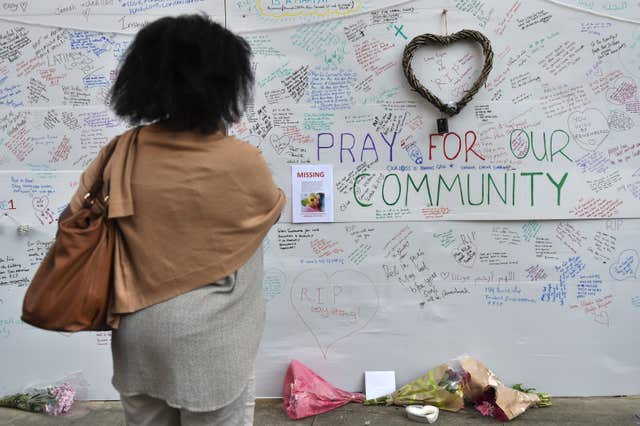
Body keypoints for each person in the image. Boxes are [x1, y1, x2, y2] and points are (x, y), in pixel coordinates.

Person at [67, 14, 285, 426]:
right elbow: (271, 210)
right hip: (214, 348)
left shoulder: (120, 151)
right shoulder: (242, 162)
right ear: (226, 84)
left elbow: (74, 218)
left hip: (136, 340)